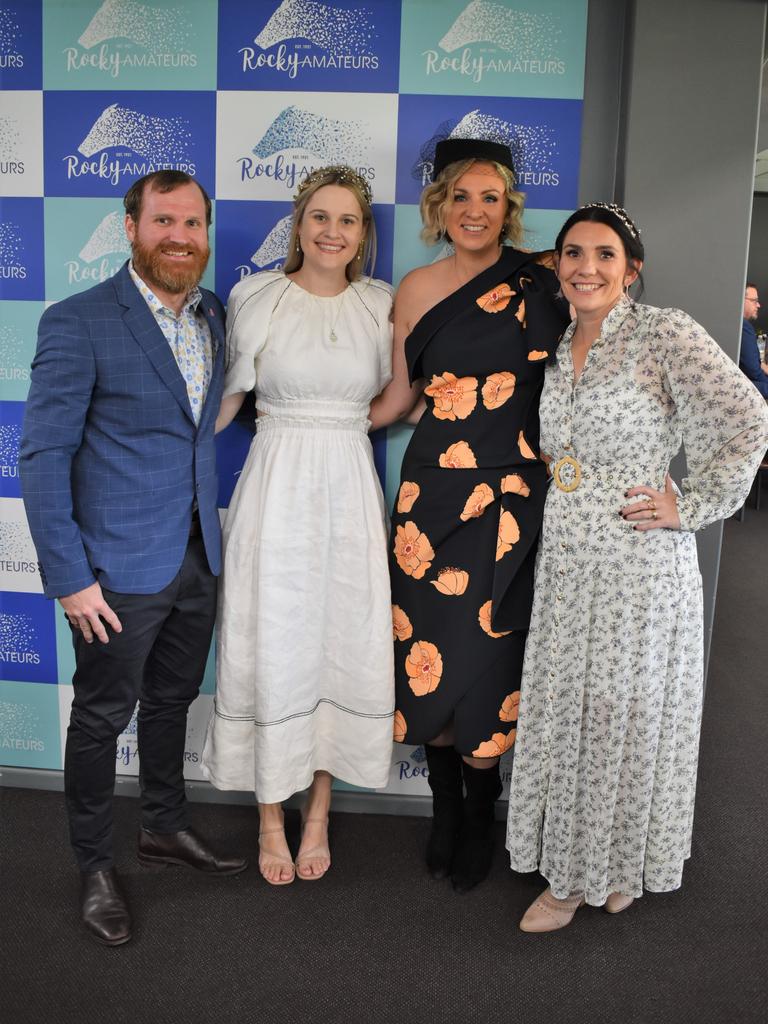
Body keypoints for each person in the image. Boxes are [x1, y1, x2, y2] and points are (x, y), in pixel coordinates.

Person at [505, 203, 768, 932]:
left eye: (604, 254)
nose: (587, 266)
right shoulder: (557, 348)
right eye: (573, 253)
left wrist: (693, 504)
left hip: (637, 565)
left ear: (631, 269)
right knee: (577, 714)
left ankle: (588, 878)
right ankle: (602, 867)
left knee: (623, 717)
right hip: (567, 562)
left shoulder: (664, 332)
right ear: (558, 267)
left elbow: (750, 418)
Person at [19, 170, 247, 947]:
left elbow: (198, 423)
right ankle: (93, 866)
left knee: (173, 702)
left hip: (195, 557)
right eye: (164, 221)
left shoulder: (212, 313)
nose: (180, 236)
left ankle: (163, 828)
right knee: (99, 717)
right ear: (130, 227)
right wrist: (72, 577)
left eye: (193, 222)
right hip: (115, 571)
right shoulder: (77, 321)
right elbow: (43, 457)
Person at [369, 138, 570, 893]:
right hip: (431, 502)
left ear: (508, 208)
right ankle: (444, 806)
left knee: (489, 663)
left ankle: (482, 810)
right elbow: (400, 400)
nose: (475, 211)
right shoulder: (416, 288)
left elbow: (577, 383)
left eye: (491, 198)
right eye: (462, 197)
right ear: (440, 206)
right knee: (427, 658)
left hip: (513, 501)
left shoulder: (542, 281)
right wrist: (308, 419)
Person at [202, 165, 395, 885]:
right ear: (298, 222)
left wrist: (339, 428)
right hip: (275, 483)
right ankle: (269, 819)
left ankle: (318, 812)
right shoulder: (257, 298)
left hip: (348, 483)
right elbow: (224, 405)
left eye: (347, 221)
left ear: (363, 232)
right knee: (272, 639)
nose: (332, 232)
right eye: (320, 217)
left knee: (340, 639)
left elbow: (398, 395)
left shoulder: (381, 304)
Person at [739, 283, 768, 397]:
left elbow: (754, 364)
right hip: (747, 386)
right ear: (742, 299)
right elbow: (754, 372)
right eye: (754, 301)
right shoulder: (745, 327)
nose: (759, 305)